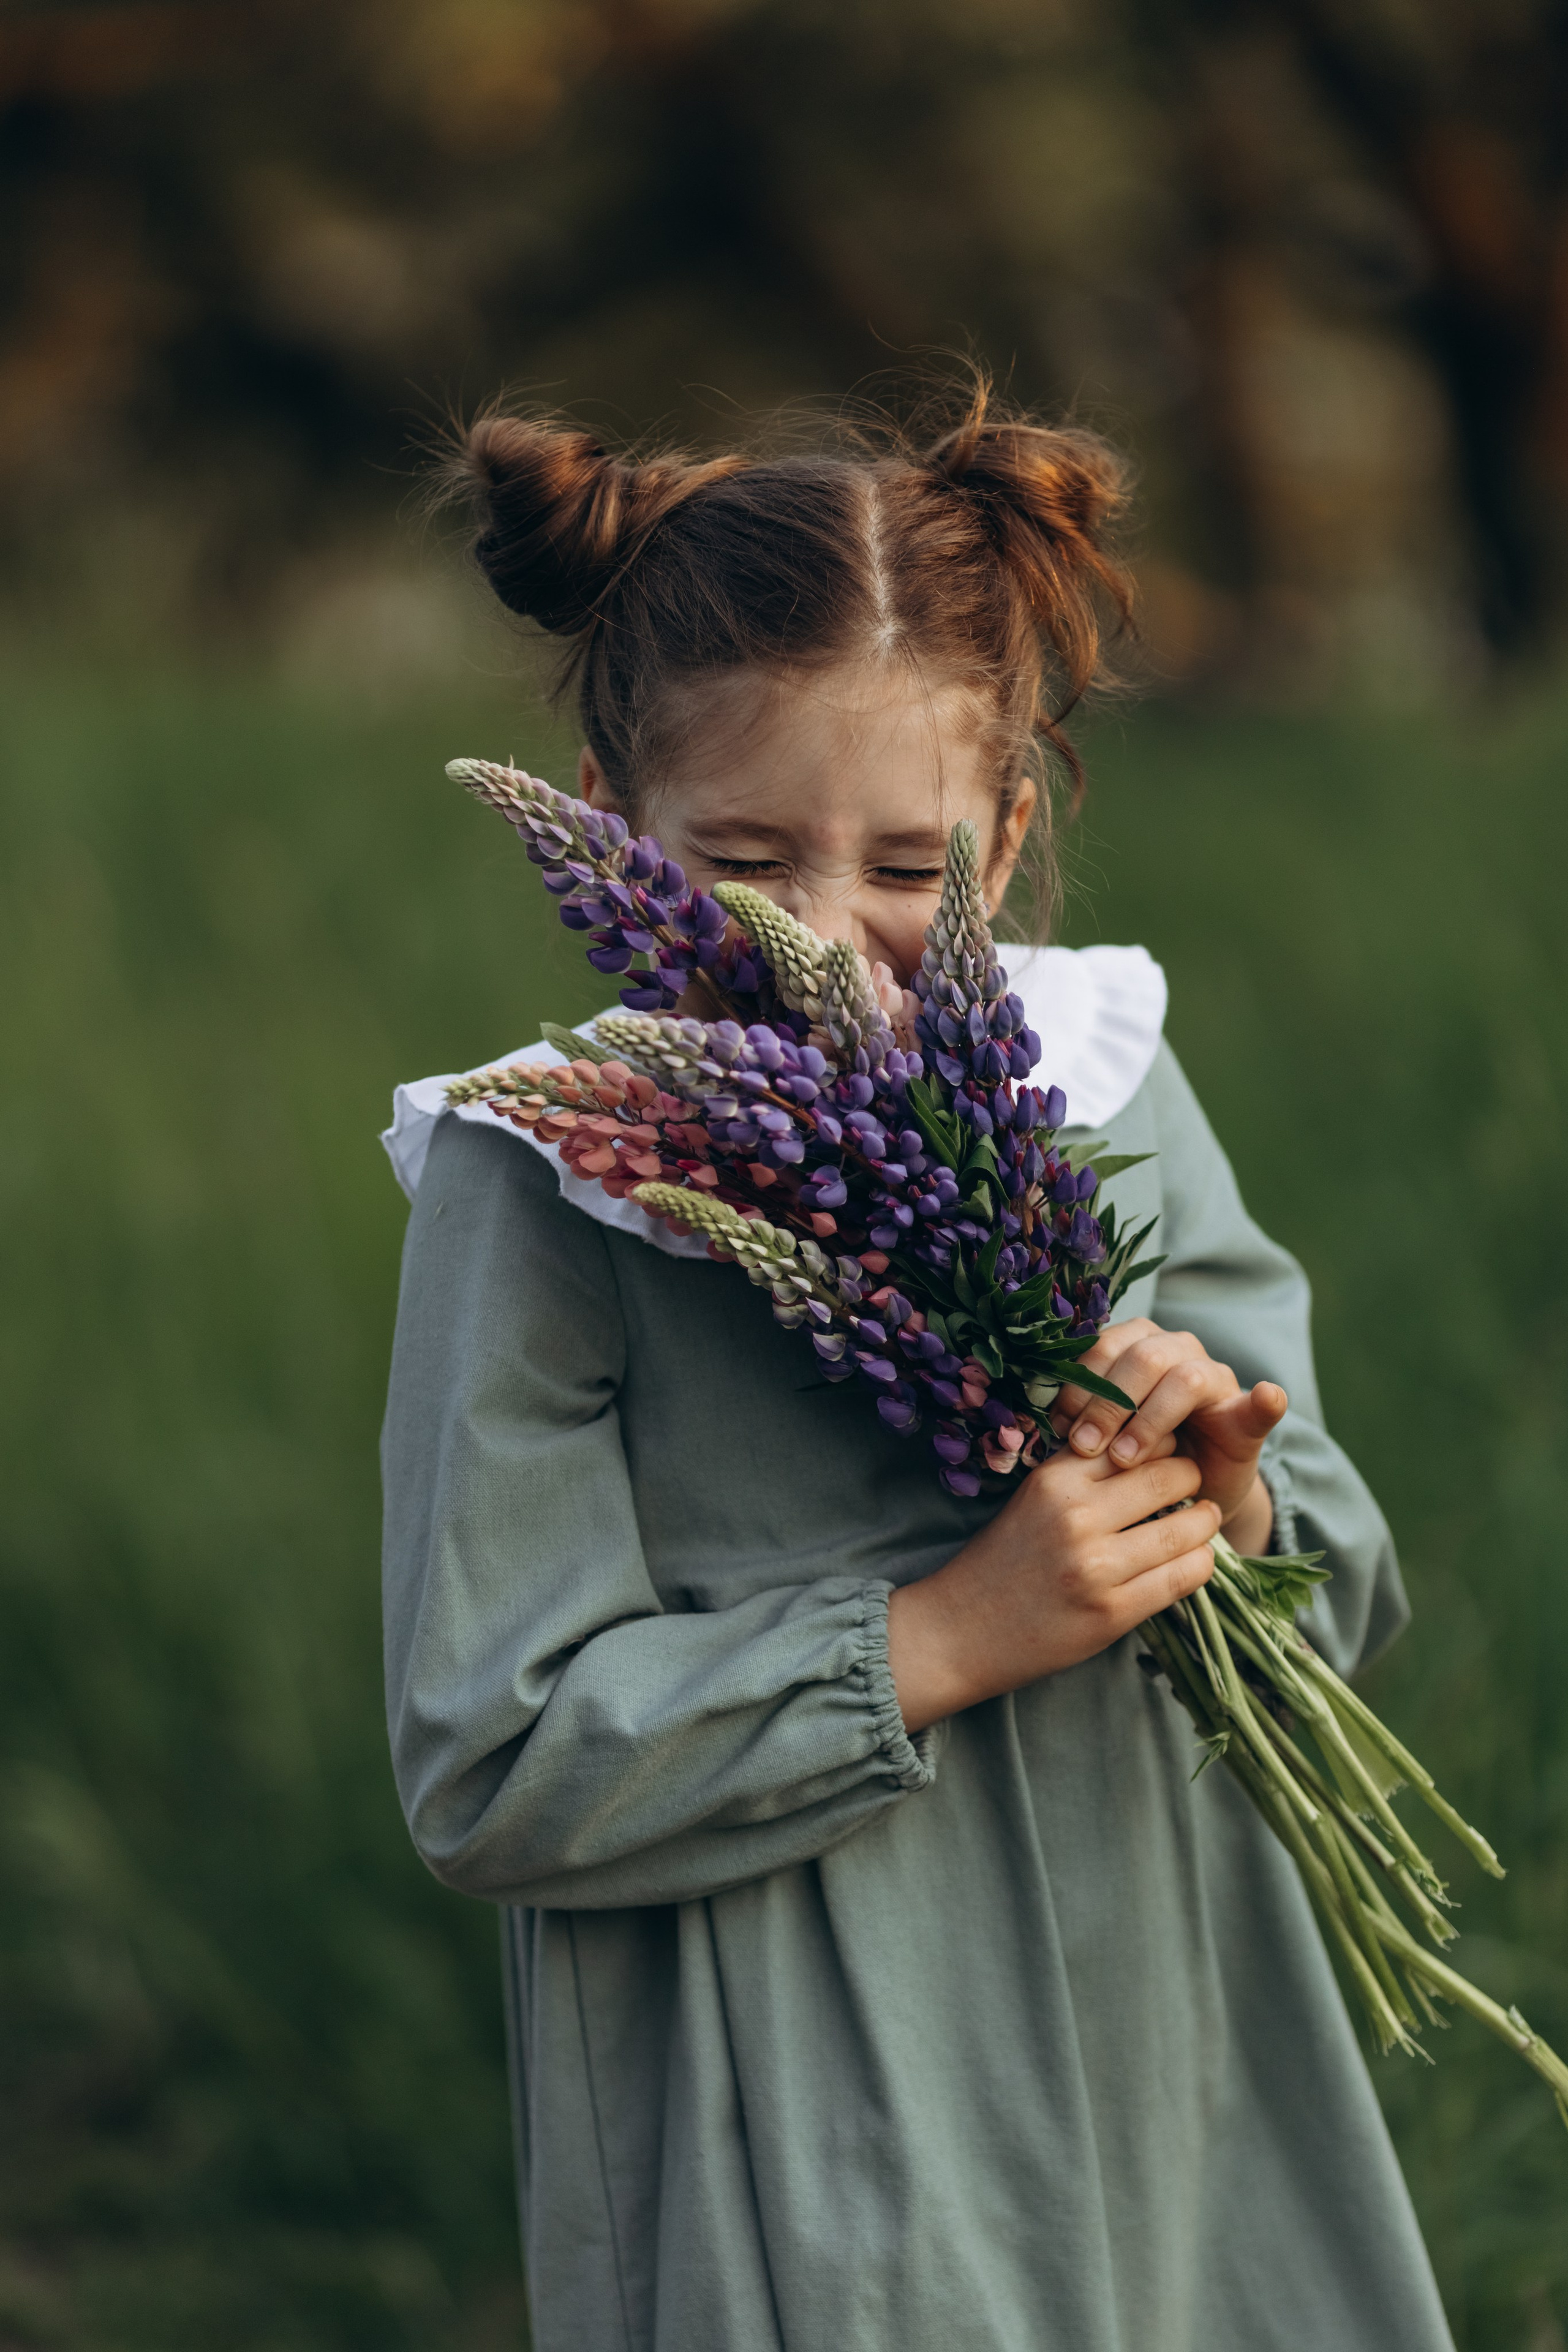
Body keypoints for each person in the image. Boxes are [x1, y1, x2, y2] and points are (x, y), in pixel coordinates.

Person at [379, 385, 1453, 2351]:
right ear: (616, 831)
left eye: (904, 865)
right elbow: (492, 1762)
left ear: (1009, 832)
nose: (822, 939)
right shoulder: (544, 1173)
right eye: (746, 856)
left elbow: (1344, 1587)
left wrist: (1216, 1487)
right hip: (806, 2079)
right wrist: (945, 1634)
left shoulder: (1107, 1081)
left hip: (1170, 2024)